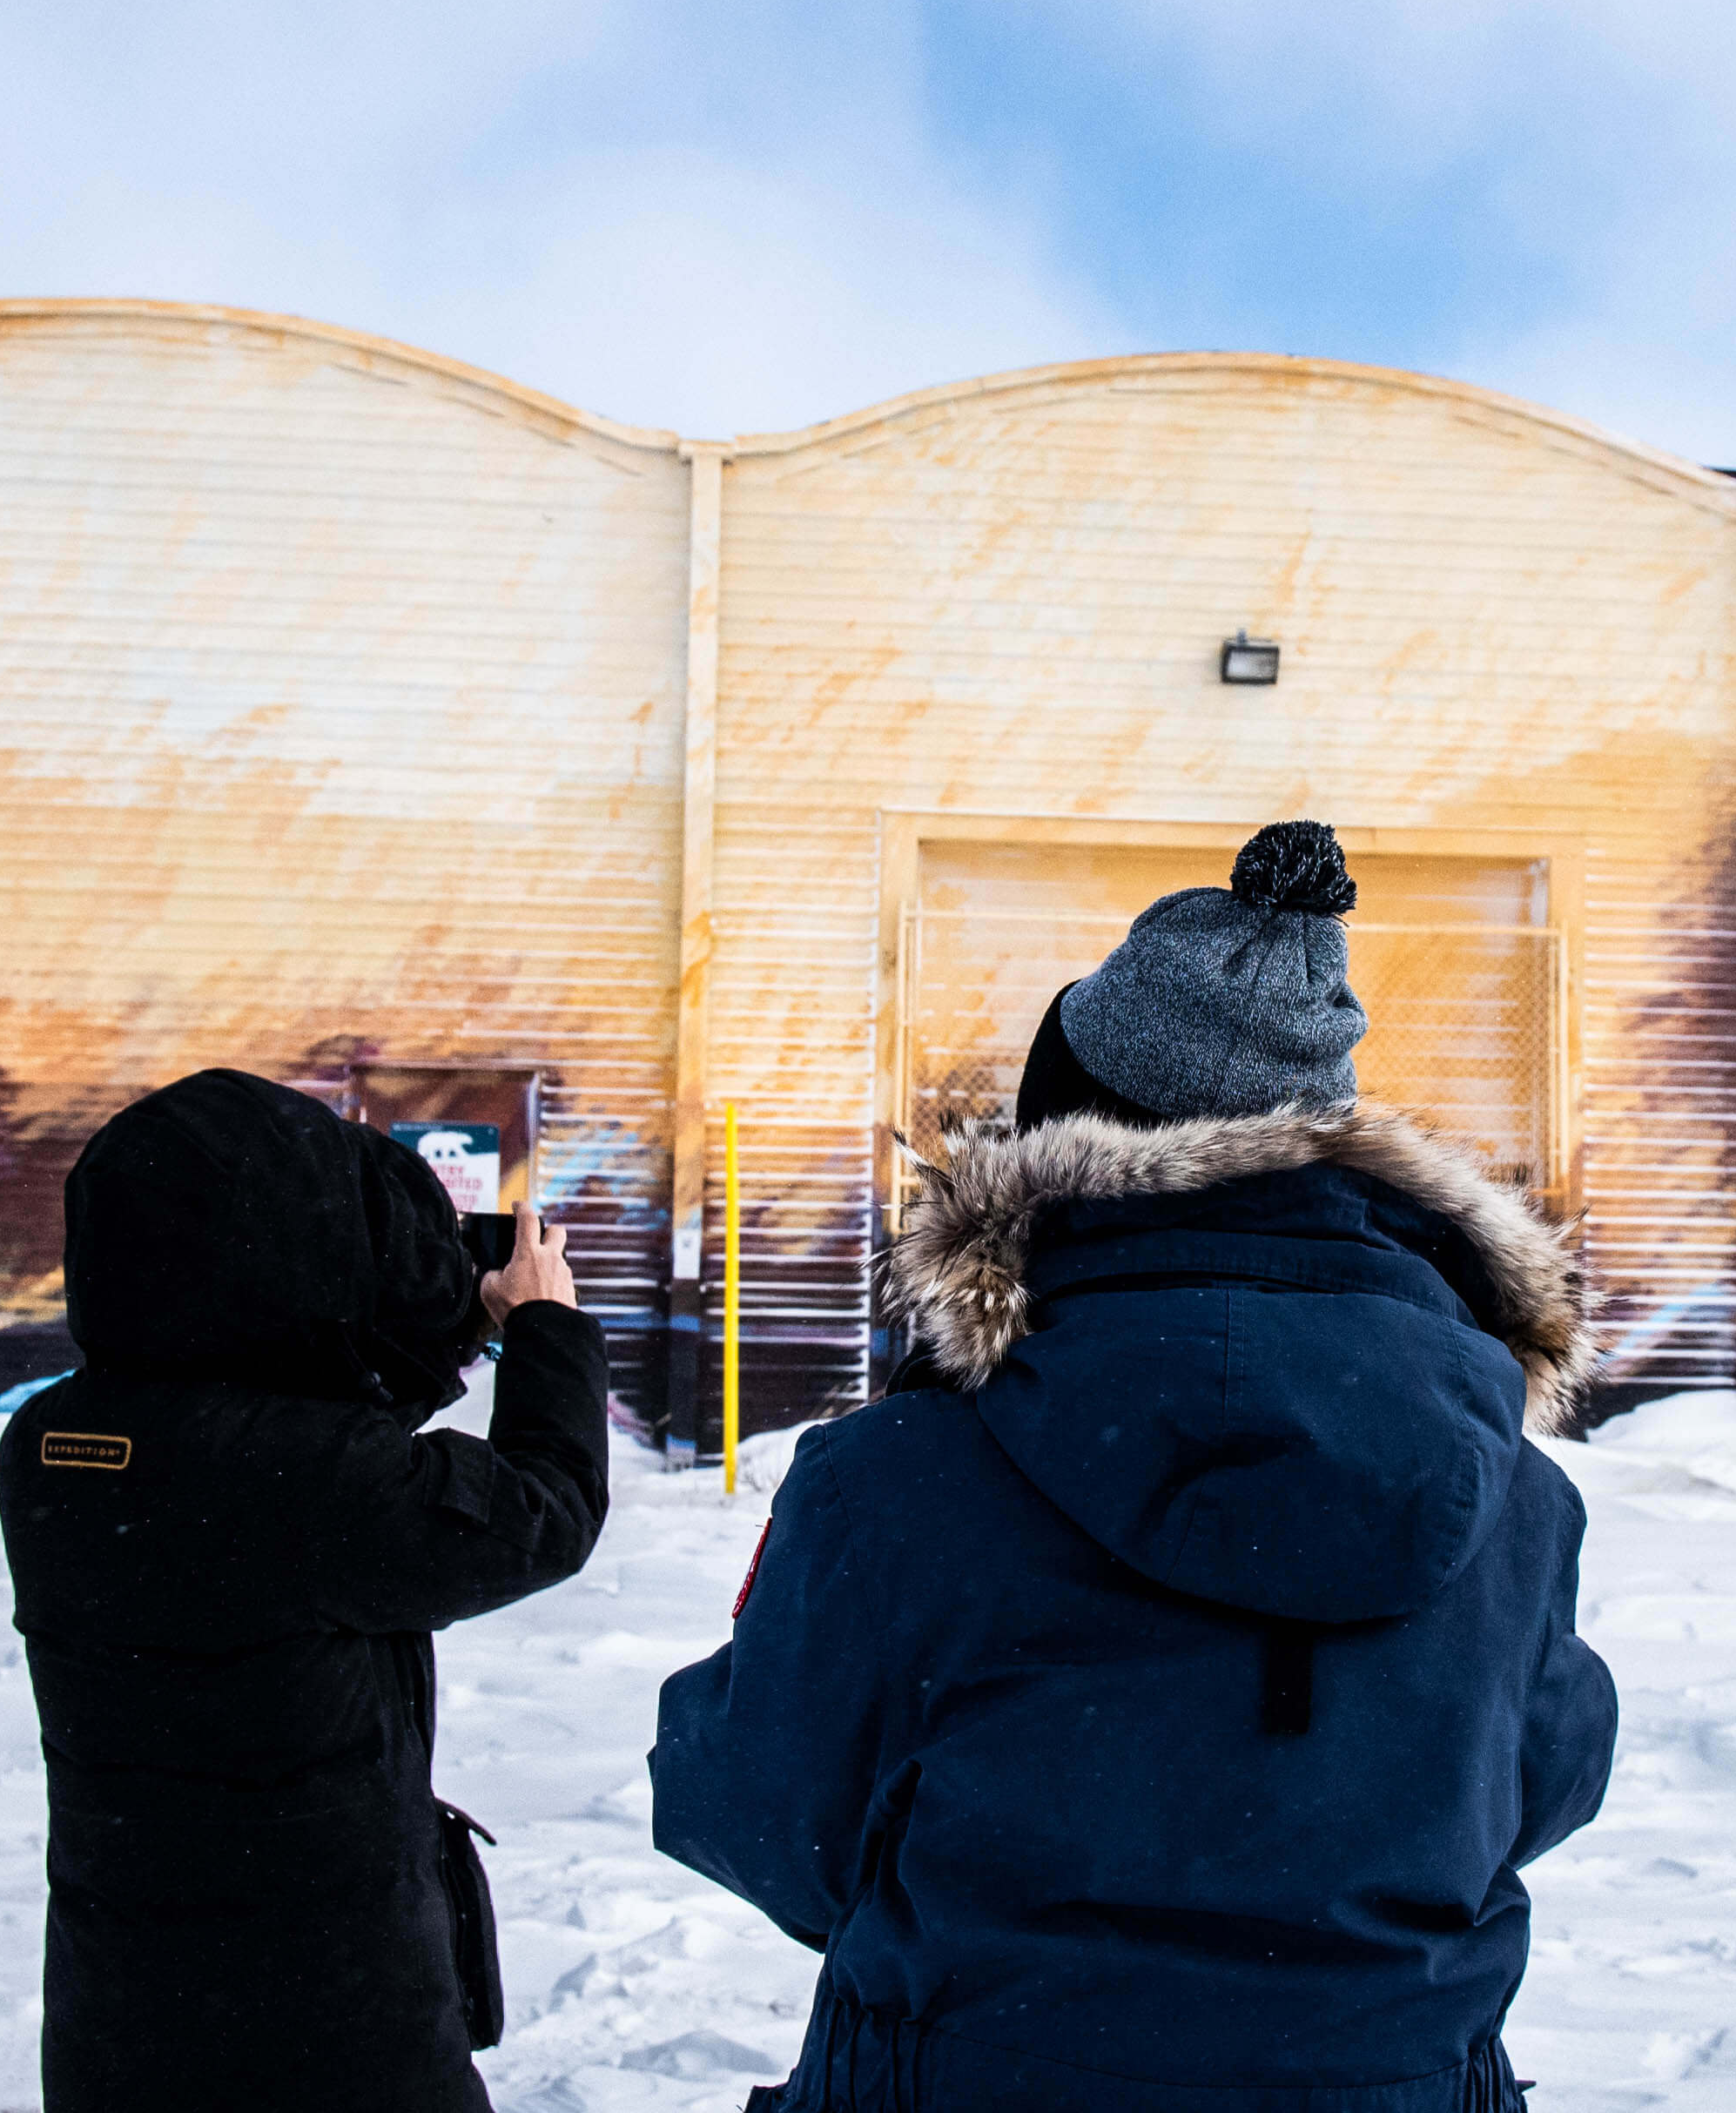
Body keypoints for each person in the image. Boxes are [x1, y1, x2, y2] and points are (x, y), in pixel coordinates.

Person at [653, 821, 1618, 2112]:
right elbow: (1544, 1786)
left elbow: (767, 1817)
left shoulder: (897, 1479)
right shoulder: (1512, 1496)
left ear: (1058, 1133)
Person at [0, 1068, 609, 2112]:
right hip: (330, 2030)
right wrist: (541, 1328)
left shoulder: (51, 1442)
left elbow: (297, 1450)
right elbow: (541, 1513)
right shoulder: (308, 1484)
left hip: (123, 2017)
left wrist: (447, 1335)